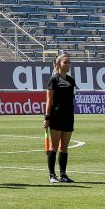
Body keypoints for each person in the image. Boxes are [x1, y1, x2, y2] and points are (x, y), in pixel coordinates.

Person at [43, 53, 76, 183]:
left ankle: (63, 175)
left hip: (68, 116)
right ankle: (52, 175)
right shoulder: (53, 79)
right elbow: (48, 100)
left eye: (69, 62)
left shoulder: (71, 80)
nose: (68, 65)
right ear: (58, 64)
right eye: (65, 62)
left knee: (64, 147)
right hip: (56, 116)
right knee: (54, 146)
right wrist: (47, 117)